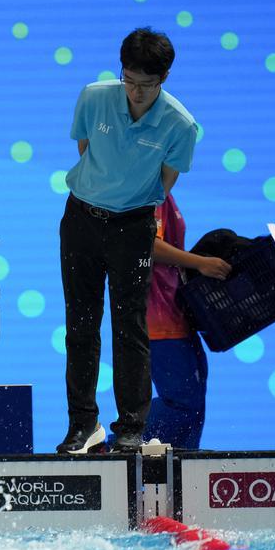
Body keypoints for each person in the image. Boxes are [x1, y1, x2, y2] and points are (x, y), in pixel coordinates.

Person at [58, 27, 198, 454]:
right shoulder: (93, 97)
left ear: (164, 78)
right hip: (81, 219)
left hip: (133, 228)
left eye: (146, 84)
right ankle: (83, 424)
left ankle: (132, 427)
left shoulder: (180, 125)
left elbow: (164, 184)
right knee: (81, 325)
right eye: (129, 80)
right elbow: (86, 150)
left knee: (130, 327)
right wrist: (104, 193)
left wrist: (126, 202)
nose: (136, 92)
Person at [142, 194, 229, 449]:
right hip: (159, 321)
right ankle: (115, 446)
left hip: (178, 316)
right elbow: (147, 244)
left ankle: (186, 466)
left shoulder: (165, 194)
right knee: (182, 404)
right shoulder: (150, 190)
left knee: (194, 405)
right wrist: (200, 263)